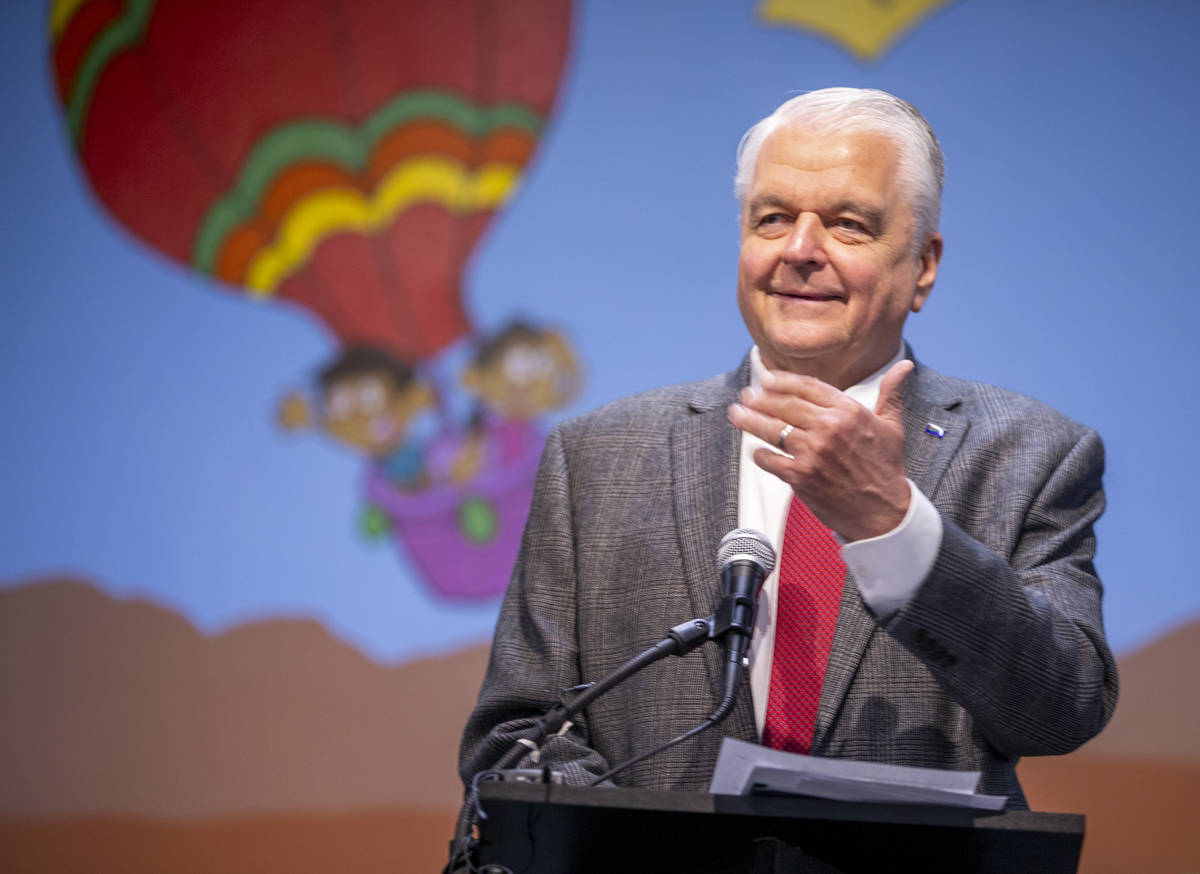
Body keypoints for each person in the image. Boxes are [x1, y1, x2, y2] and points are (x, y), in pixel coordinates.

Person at [458, 87, 1117, 808]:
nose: (800, 251)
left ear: (923, 266)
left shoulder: (1029, 453)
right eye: (772, 219)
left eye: (848, 225)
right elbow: (519, 734)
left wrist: (895, 526)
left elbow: (1062, 709)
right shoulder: (598, 456)